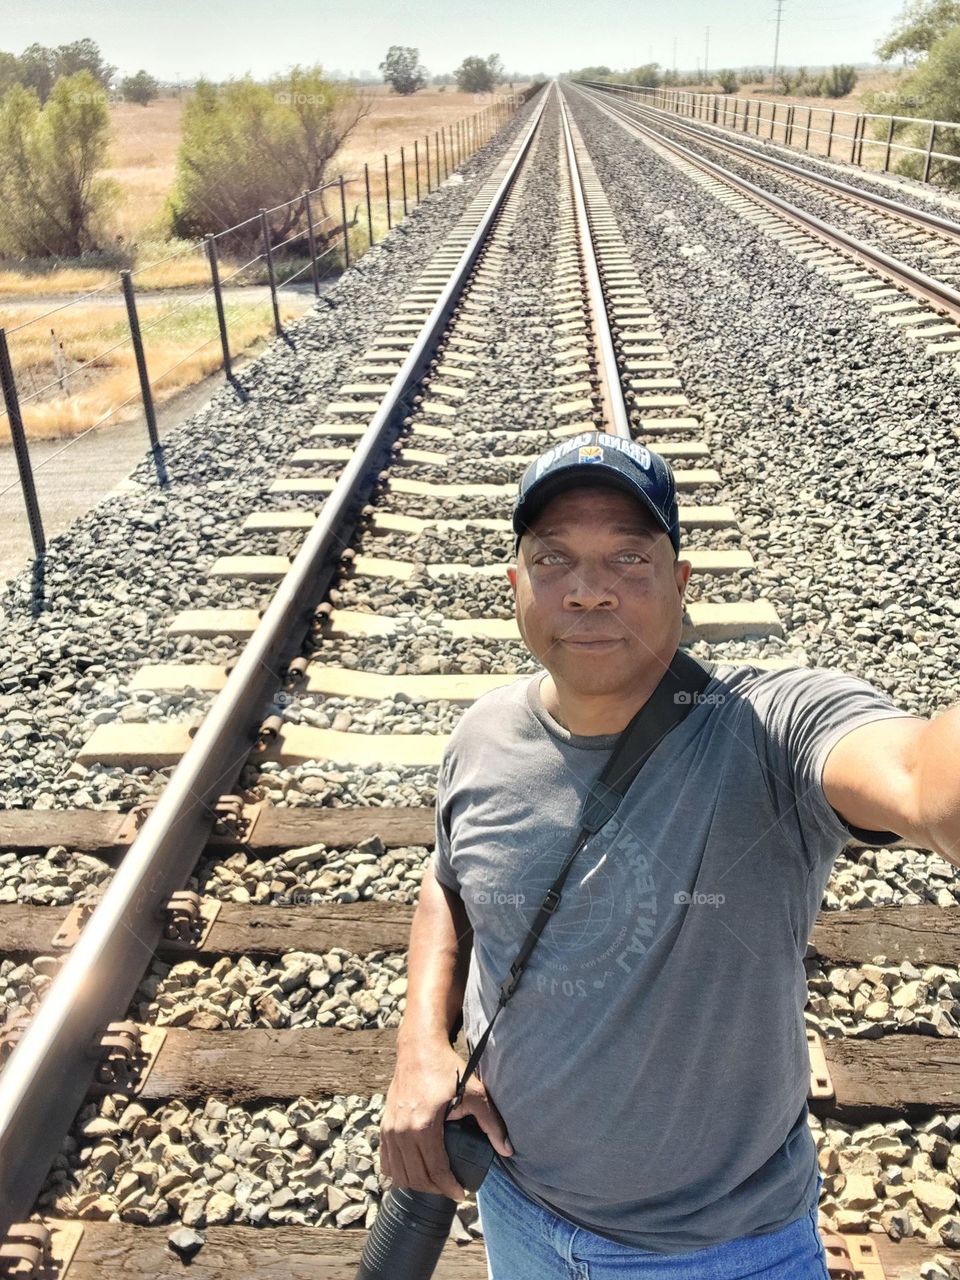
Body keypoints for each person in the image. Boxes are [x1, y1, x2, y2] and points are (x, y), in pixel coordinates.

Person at [378, 430, 960, 1278]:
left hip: (723, 1252)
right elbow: (450, 885)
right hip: (520, 1215)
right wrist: (421, 1045)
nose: (588, 593)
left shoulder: (764, 730)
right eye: (553, 559)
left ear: (681, 586)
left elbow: (915, 778)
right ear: (515, 585)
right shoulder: (483, 736)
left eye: (627, 559)